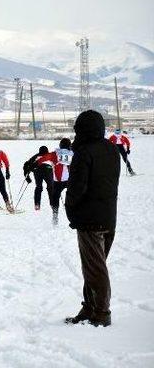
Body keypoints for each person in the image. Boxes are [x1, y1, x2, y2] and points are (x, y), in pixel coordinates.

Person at [65, 110, 120, 327]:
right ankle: (89, 308)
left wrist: (70, 208)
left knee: (95, 269)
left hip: (90, 220)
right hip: (108, 217)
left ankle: (101, 313)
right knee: (94, 266)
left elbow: (76, 188)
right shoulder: (111, 149)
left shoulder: (84, 152)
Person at [46, 138, 73, 225]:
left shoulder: (55, 154)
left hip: (58, 181)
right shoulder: (73, 154)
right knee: (73, 197)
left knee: (55, 198)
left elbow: (43, 158)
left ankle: (55, 215)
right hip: (71, 180)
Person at [22, 145, 54, 211]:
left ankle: (37, 205)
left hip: (37, 171)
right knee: (50, 187)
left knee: (38, 187)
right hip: (48, 170)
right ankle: (53, 204)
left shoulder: (36, 156)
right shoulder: (50, 156)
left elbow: (26, 164)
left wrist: (27, 176)